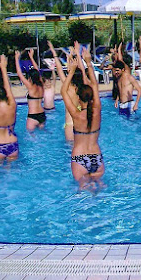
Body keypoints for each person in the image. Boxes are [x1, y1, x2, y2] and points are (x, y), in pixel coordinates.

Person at [61, 47, 104, 188]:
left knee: (83, 193)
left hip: (80, 158)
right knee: (100, 189)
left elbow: (63, 91)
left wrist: (72, 70)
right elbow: (95, 86)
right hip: (97, 158)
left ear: (79, 98)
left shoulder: (77, 115)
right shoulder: (97, 111)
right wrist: (88, 62)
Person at [48, 41, 84, 142]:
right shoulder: (83, 88)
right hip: (82, 125)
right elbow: (82, 71)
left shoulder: (67, 87)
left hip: (70, 125)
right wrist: (76, 54)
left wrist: (53, 52)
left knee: (71, 152)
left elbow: (59, 69)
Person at [15, 50, 46, 131]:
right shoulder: (41, 85)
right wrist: (31, 57)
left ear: (30, 78)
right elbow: (38, 71)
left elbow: (19, 73)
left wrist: (16, 58)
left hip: (33, 116)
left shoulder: (31, 87)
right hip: (42, 115)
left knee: (31, 137)